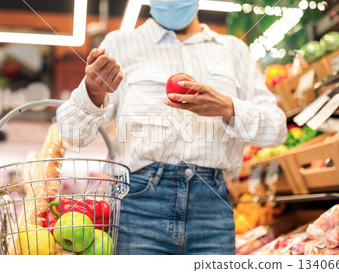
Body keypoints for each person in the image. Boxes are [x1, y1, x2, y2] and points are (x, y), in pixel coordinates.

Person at [57, 0, 286, 254]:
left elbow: (277, 129)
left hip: (212, 207)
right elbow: (72, 134)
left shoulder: (234, 50)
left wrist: (227, 108)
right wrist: (93, 91)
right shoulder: (120, 44)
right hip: (138, 206)